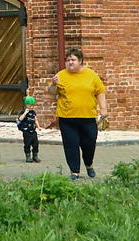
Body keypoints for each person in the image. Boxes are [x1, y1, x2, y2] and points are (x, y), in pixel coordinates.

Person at [52, 49, 105, 179]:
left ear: (80, 61)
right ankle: (74, 171)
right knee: (71, 145)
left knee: (89, 143)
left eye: (73, 60)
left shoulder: (91, 75)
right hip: (67, 117)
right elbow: (52, 92)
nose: (70, 62)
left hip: (88, 117)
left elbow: (100, 91)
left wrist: (103, 108)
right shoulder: (61, 75)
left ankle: (88, 164)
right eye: (68, 60)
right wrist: (53, 84)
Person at [17, 92, 41, 163]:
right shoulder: (24, 112)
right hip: (26, 132)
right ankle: (28, 156)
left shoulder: (33, 112)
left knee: (35, 144)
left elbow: (35, 119)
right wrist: (25, 113)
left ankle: (35, 156)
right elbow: (20, 119)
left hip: (33, 131)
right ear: (26, 105)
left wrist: (38, 126)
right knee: (27, 144)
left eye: (32, 106)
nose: (31, 107)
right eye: (29, 105)